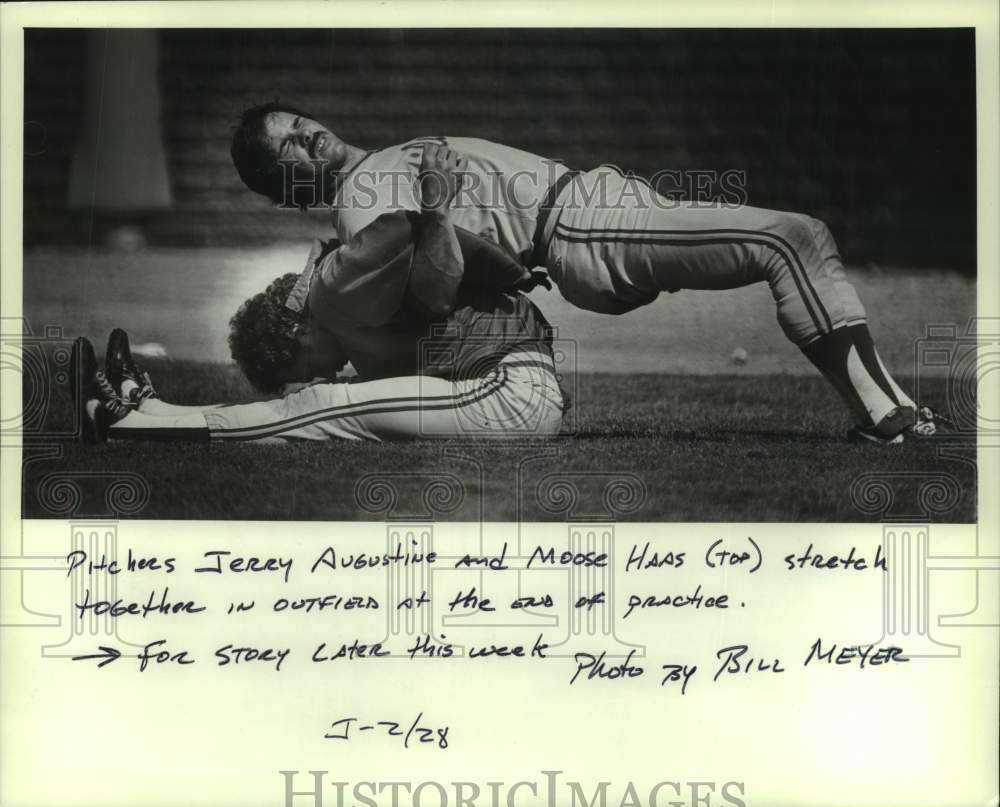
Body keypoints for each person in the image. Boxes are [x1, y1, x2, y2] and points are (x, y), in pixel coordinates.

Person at [229, 101, 948, 444]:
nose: (304, 133)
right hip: (580, 225)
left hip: (587, 212)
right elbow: (428, 290)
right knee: (792, 239)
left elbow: (446, 252)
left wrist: (498, 264)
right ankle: (888, 418)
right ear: (281, 185)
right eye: (287, 146)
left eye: (295, 121)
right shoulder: (358, 200)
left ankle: (886, 414)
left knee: (792, 242)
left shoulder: (371, 172)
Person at [71, 148, 564, 444]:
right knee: (321, 404)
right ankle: (150, 408)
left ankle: (123, 426)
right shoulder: (353, 310)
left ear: (298, 329)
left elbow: (406, 227)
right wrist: (508, 271)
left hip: (511, 392)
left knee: (319, 407)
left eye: (305, 364)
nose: (323, 371)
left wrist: (507, 267)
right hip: (505, 388)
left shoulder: (334, 292)